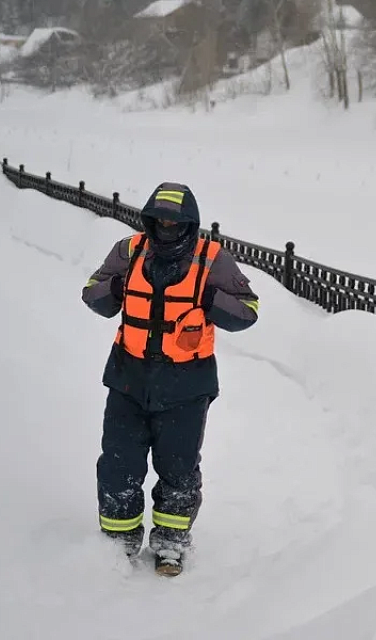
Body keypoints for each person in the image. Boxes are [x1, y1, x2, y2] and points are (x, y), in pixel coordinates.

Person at [81, 182, 259, 576]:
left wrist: (213, 302)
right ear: (148, 220)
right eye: (159, 220)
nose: (166, 227)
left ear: (189, 224)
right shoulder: (128, 252)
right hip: (128, 378)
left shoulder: (213, 259)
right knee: (118, 463)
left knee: (178, 468)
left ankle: (171, 544)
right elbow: (91, 292)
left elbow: (248, 311)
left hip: (186, 386)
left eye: (174, 222)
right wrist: (115, 288)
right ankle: (118, 541)